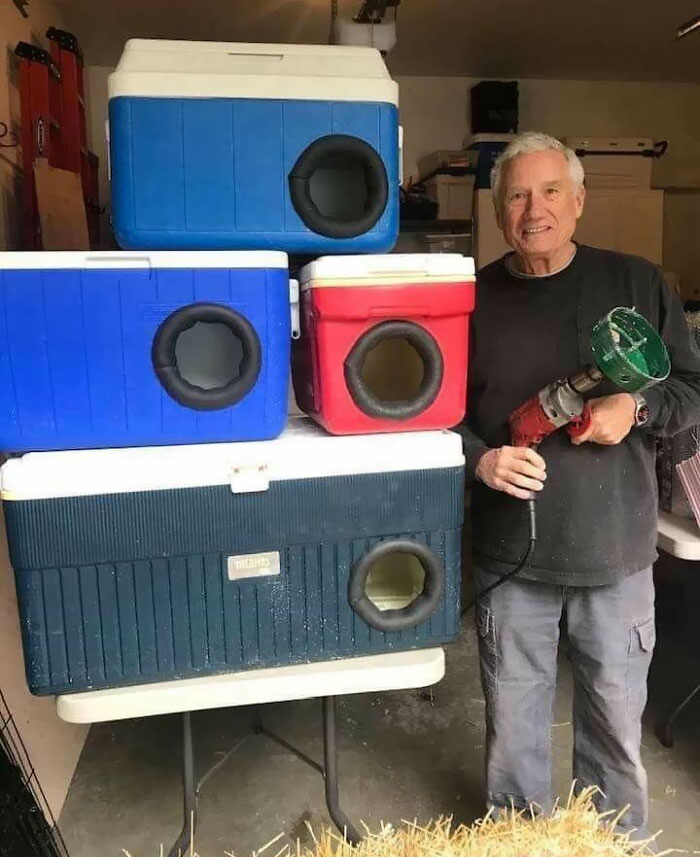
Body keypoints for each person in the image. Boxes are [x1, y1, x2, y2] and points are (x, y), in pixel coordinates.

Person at [459, 131, 700, 840]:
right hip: (511, 556)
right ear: (499, 211)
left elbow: (691, 387)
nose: (534, 209)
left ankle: (611, 843)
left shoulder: (637, 283)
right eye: (517, 196)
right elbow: (432, 417)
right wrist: (482, 460)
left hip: (616, 551)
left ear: (580, 200)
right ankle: (519, 842)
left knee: (614, 724)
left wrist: (637, 407)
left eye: (550, 191)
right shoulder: (472, 301)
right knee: (514, 727)